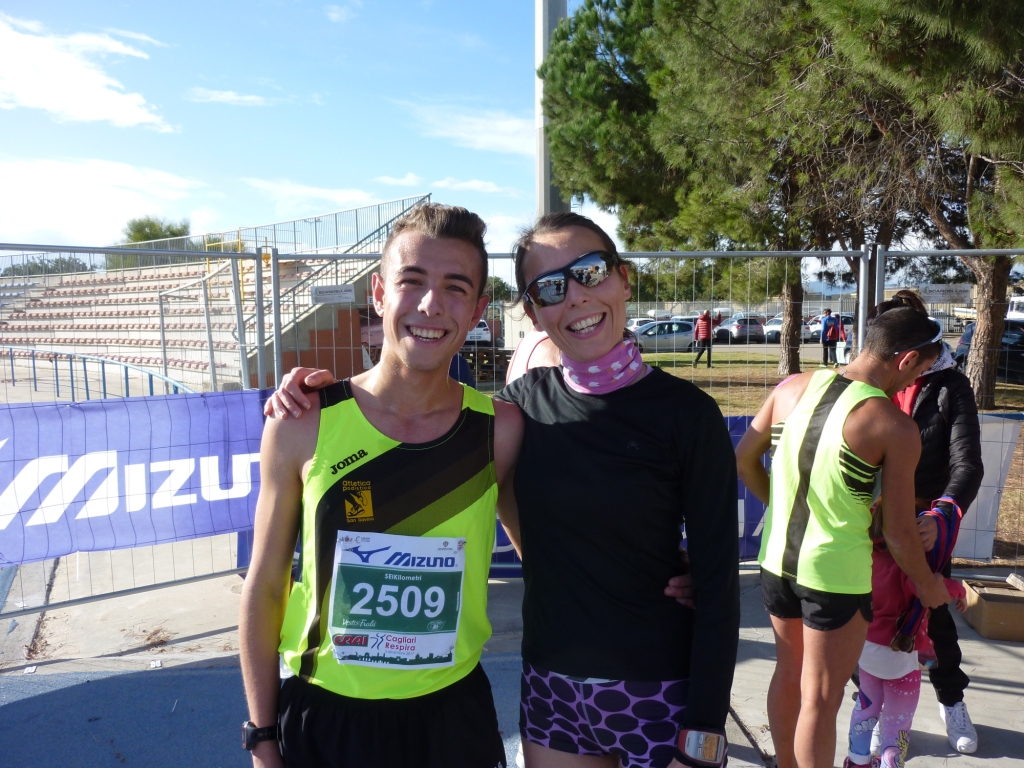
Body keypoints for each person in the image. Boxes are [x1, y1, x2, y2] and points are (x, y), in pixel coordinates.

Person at [268, 212, 739, 768]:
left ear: (623, 278)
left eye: (590, 271)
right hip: (551, 689)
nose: (576, 296)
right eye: (550, 287)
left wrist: (705, 732)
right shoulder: (519, 410)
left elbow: (719, 587)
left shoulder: (687, 414)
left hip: (658, 686)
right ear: (533, 312)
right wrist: (305, 391)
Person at [240, 203, 522, 768]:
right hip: (326, 719)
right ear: (378, 293)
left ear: (478, 310)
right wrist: (262, 736)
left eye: (455, 288)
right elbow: (266, 585)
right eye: (411, 280)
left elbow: (551, 561)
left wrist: (674, 573)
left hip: (452, 719)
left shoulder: (501, 429)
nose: (430, 304)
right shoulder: (302, 421)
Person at [734, 306, 955, 768]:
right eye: (919, 371)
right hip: (834, 575)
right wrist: (927, 584)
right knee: (820, 696)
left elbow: (744, 460)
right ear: (906, 359)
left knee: (789, 674)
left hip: (775, 561)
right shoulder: (893, 425)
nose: (913, 382)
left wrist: (783, 506)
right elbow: (898, 531)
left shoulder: (791, 387)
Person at [871, 290, 984, 755]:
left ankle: (951, 699)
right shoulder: (867, 383)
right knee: (873, 622)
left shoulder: (950, 385)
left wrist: (943, 513)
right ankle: (876, 709)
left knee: (934, 613)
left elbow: (967, 464)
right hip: (871, 528)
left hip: (925, 526)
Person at [844, 497, 967, 767]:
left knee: (865, 710)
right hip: (901, 658)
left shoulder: (867, 559)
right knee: (897, 723)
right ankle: (891, 762)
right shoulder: (910, 569)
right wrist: (960, 592)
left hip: (867, 653)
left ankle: (857, 759)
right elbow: (935, 589)